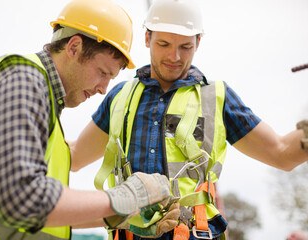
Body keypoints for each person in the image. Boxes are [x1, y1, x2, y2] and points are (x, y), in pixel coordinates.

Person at [69, 0, 308, 239]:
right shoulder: (120, 97)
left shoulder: (217, 97)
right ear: (147, 38)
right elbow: (76, 156)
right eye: (164, 44)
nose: (175, 56)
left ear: (198, 43)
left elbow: (282, 153)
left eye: (185, 46)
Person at [0, 0, 176, 239]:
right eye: (102, 73)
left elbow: (45, 213)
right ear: (74, 47)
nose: (103, 89)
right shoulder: (22, 80)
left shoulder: (47, 114)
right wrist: (128, 196)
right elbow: (22, 200)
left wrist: (126, 218)